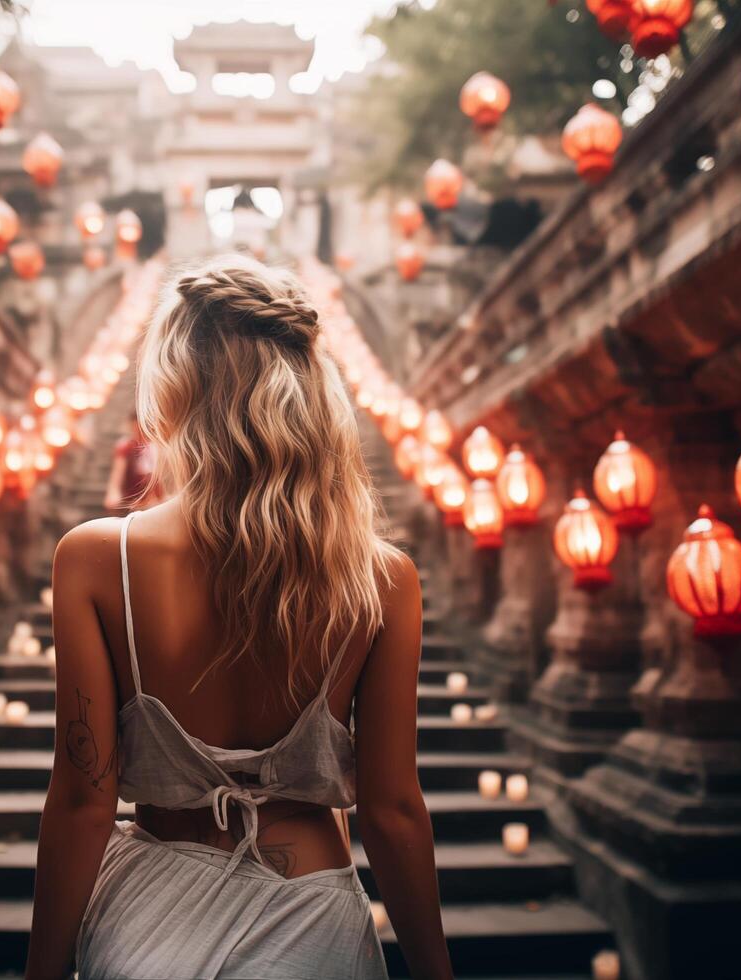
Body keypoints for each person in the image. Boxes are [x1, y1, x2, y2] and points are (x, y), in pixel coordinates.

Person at [26, 256, 453, 980]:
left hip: (147, 919)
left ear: (170, 388)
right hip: (313, 914)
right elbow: (392, 811)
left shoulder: (98, 560)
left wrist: (40, 973)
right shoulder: (382, 578)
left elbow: (80, 802)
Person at [104, 412, 163, 512]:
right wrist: (113, 492)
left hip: (153, 501)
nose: (139, 431)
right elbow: (118, 472)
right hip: (133, 501)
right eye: (135, 427)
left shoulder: (156, 446)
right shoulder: (125, 446)